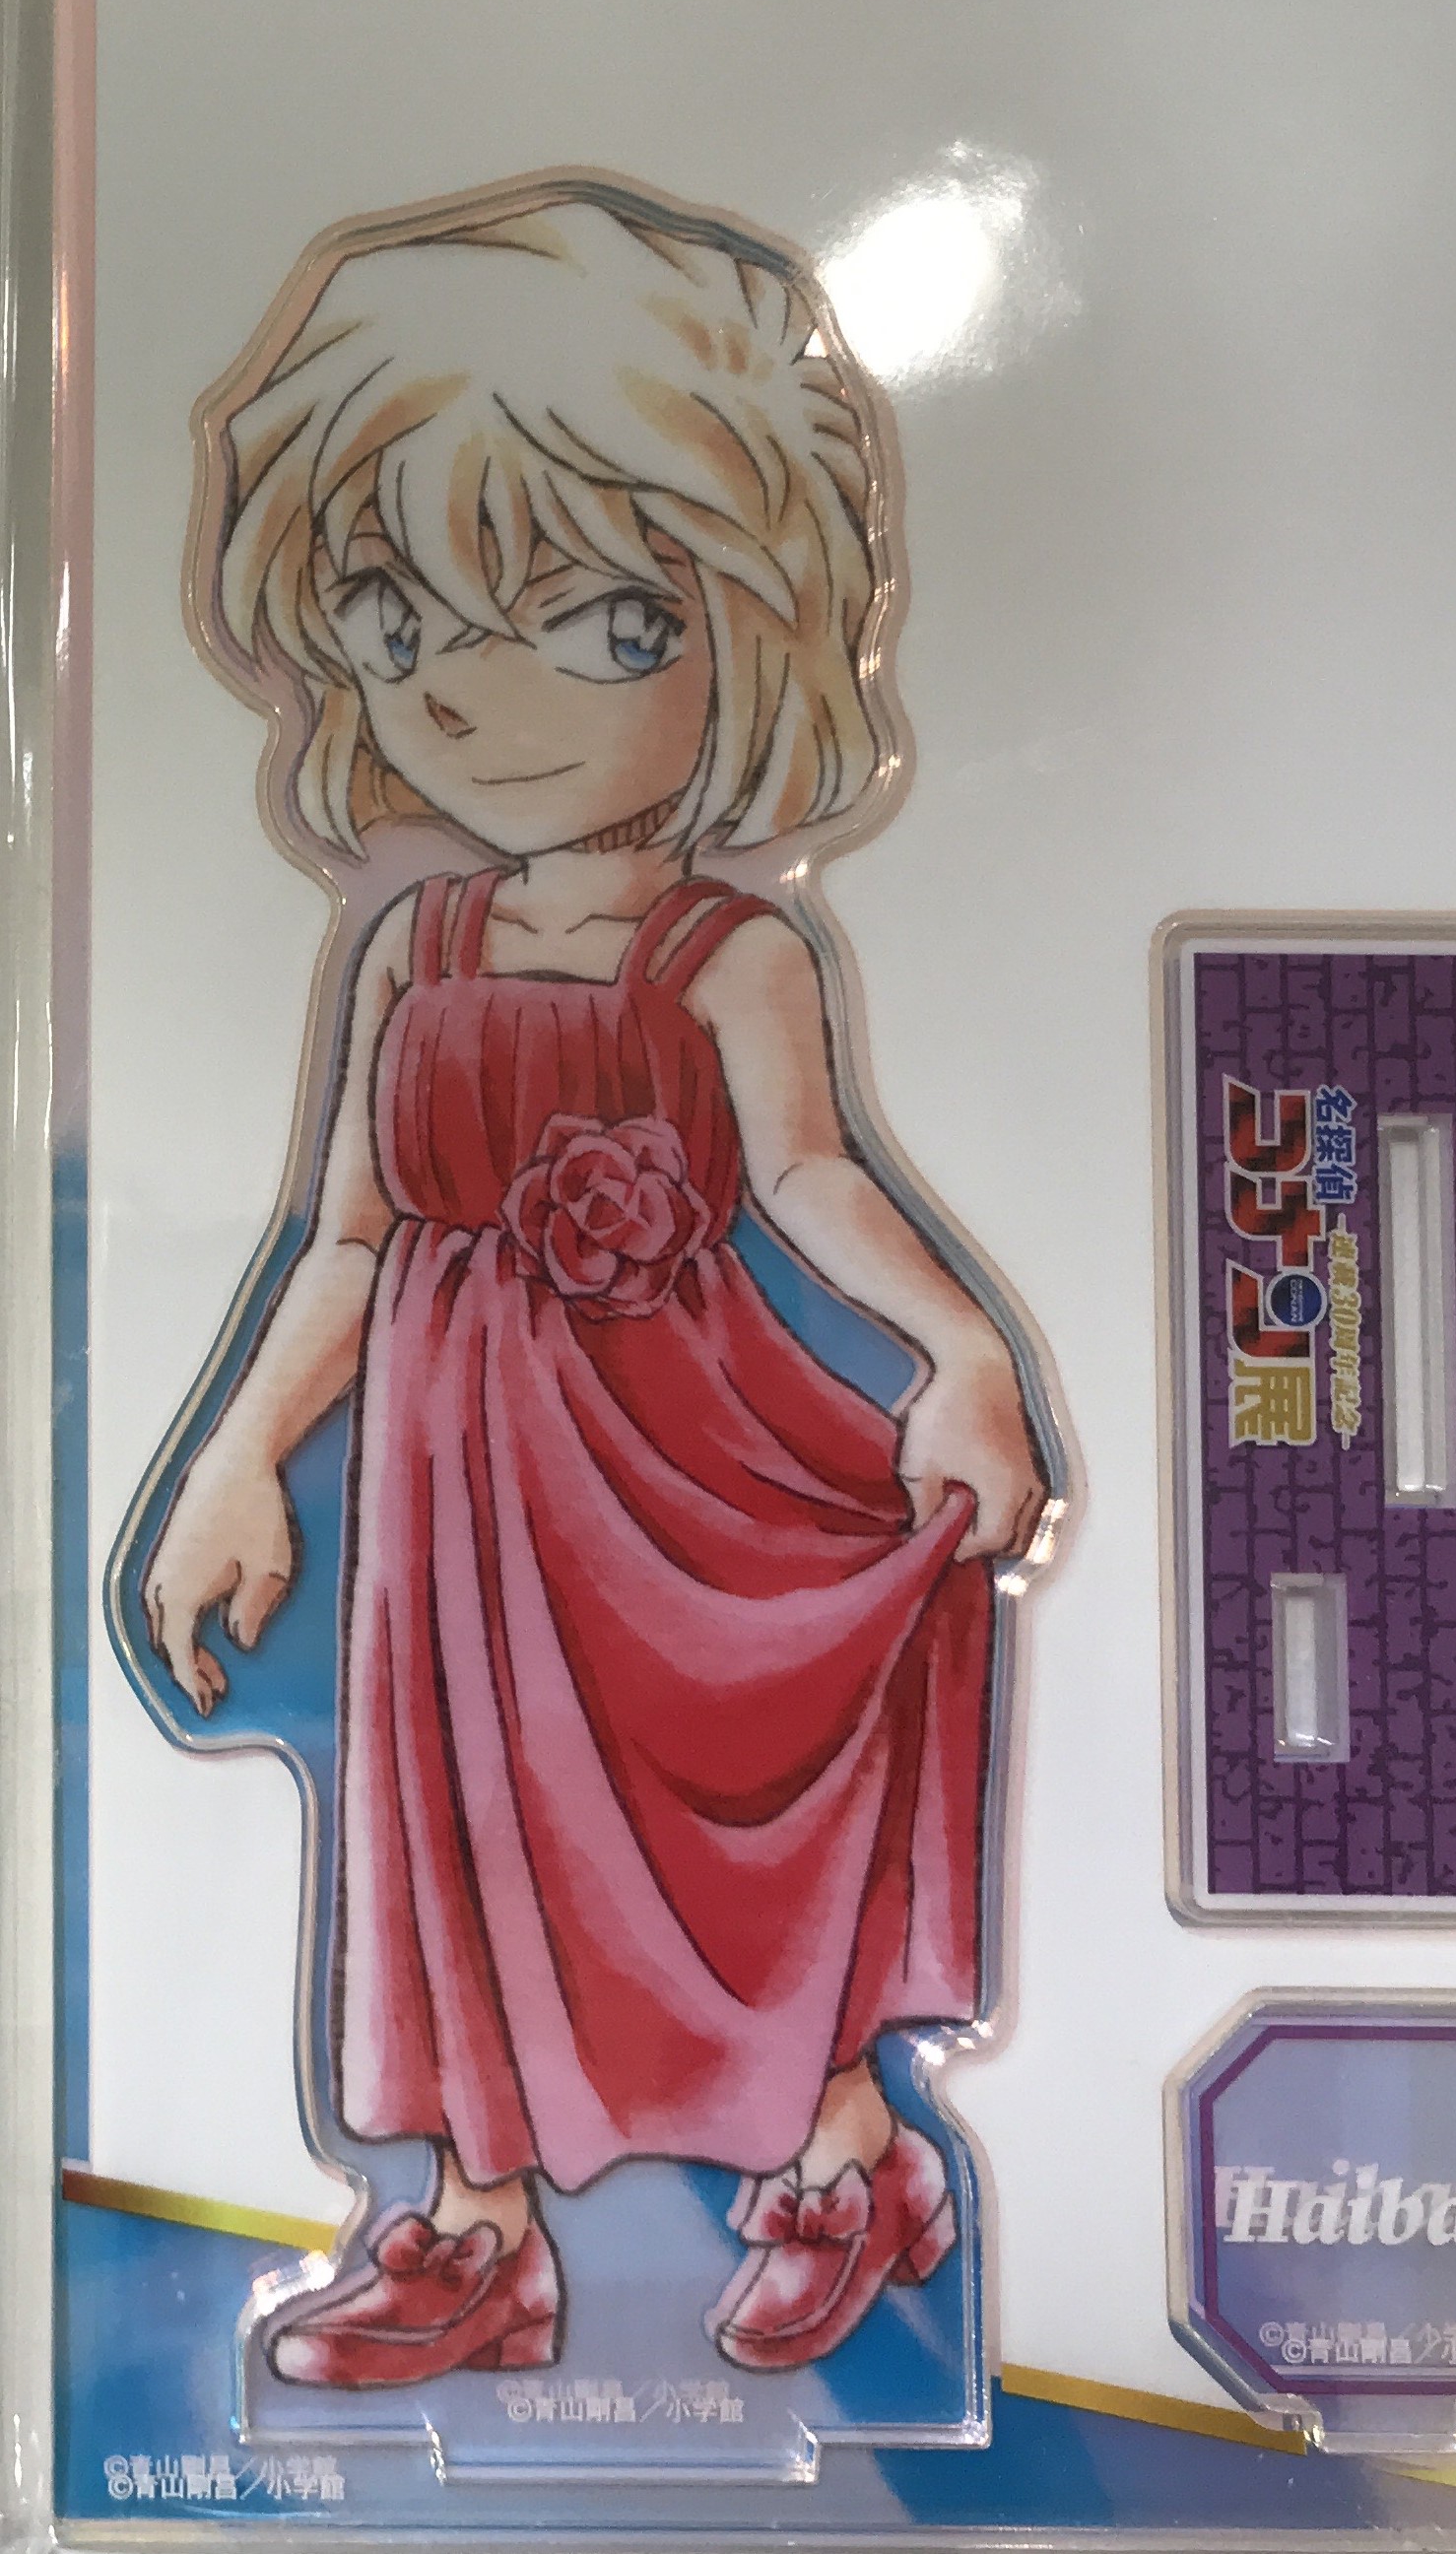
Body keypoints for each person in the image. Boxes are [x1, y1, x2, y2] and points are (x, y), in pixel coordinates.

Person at [141, 175, 1051, 2390]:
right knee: (463, 1824)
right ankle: (474, 2229)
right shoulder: (410, 942)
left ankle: (846, 2150)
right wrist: (239, 1460)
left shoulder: (731, 949)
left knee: (713, 1812)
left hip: (683, 1466)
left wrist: (962, 1352)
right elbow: (349, 1232)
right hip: (456, 1490)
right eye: (397, 623)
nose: (476, 697)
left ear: (749, 619)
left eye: (602, 620)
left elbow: (811, 1176)